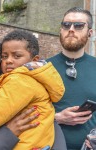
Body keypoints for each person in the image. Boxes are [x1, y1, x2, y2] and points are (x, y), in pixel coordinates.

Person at [46, 7, 95, 150]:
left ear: (90, 33)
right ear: (61, 30)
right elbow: (26, 114)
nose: (71, 29)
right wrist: (57, 118)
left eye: (79, 25)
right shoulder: (42, 68)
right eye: (66, 25)